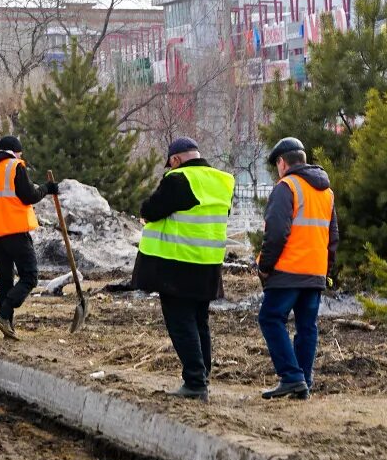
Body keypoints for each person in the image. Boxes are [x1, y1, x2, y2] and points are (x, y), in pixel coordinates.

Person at [131, 136, 235, 401]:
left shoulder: (179, 179)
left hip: (178, 266)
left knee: (181, 323)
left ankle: (195, 382)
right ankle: (202, 376)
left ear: (175, 160)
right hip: (208, 265)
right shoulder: (222, 181)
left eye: (170, 164)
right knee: (199, 322)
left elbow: (151, 209)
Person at [256, 137, 338, 401]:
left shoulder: (286, 186)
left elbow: (276, 233)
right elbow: (332, 236)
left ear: (282, 162)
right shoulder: (326, 192)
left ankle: (291, 377)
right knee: (307, 326)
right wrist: (325, 269)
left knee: (270, 318)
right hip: (314, 272)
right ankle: (304, 381)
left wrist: (265, 267)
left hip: (288, 270)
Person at [0, 135, 55, 340]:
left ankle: (6, 324)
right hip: (16, 232)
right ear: (15, 151)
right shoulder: (14, 166)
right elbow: (29, 196)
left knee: (5, 279)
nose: (21, 155)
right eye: (20, 152)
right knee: (30, 276)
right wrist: (47, 188)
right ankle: (4, 312)